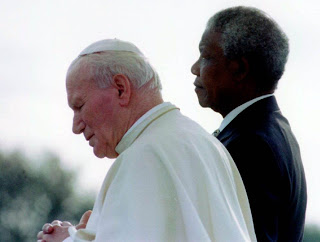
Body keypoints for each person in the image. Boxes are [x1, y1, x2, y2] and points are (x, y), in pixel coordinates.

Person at [37, 39, 257, 241]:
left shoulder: (144, 156)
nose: (76, 126)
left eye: (79, 106)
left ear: (121, 89)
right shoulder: (207, 143)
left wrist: (68, 240)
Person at [191, 6, 307, 242]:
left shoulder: (250, 144)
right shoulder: (272, 131)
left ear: (240, 69)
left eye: (206, 56)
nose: (194, 68)